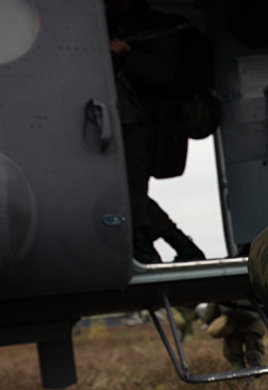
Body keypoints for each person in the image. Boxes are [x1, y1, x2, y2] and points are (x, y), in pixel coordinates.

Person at [106, 0, 210, 263]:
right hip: (123, 119)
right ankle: (179, 246)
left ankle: (149, 248)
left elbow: (161, 73)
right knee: (130, 190)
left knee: (131, 188)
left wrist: (126, 55)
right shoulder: (112, 22)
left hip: (139, 120)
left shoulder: (157, 27)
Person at [200, 301, 265, 370]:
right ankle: (255, 363)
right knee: (254, 348)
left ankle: (243, 379)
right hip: (253, 324)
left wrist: (211, 319)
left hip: (232, 325)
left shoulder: (220, 290)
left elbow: (209, 313)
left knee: (235, 357)